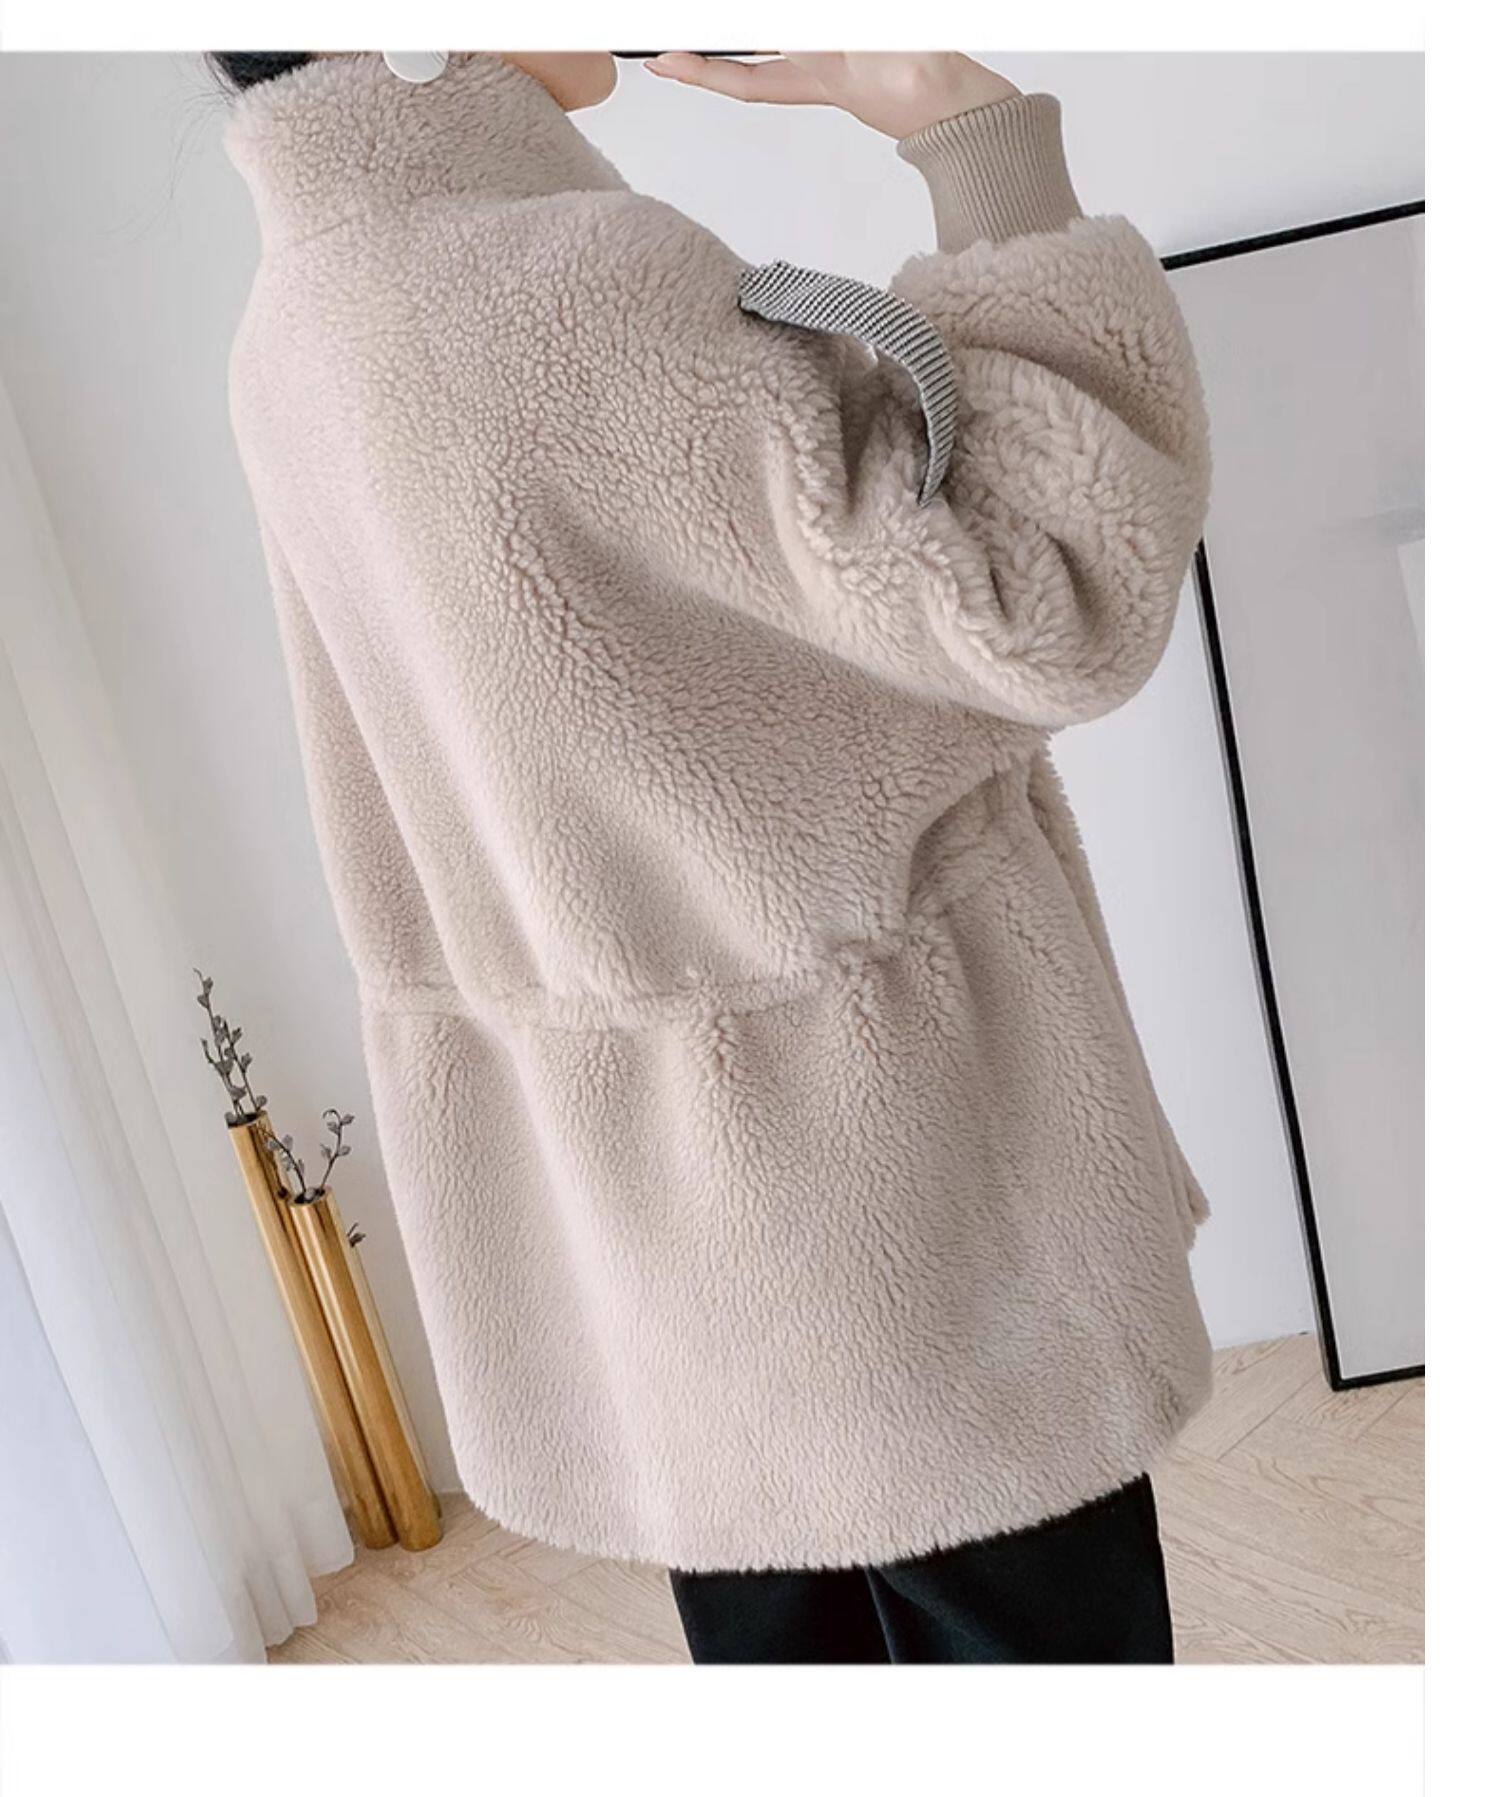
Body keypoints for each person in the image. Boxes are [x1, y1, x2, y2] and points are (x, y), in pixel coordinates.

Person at [219, 49, 1215, 1664]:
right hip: (903, 1229)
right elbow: (1047, 597)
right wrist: (964, 126)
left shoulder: (295, 328)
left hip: (667, 1268)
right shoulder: (562, 287)